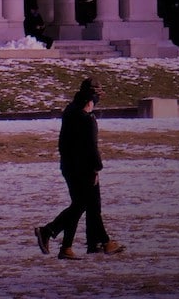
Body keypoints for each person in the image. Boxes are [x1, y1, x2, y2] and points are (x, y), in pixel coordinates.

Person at [34, 78, 126, 259]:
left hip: (69, 167)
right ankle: (50, 231)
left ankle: (71, 246)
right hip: (83, 169)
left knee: (82, 205)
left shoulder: (70, 111)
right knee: (86, 205)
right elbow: (91, 147)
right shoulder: (86, 118)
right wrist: (96, 168)